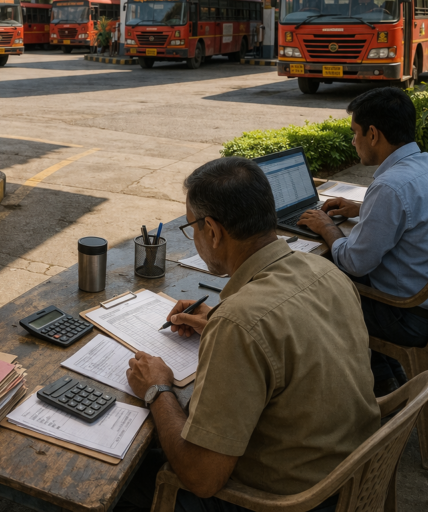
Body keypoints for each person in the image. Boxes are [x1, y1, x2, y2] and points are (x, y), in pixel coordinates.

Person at [121, 157, 380, 512]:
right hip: (348, 473)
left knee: (119, 482)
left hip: (288, 501)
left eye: (192, 227)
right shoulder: (325, 271)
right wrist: (218, 322)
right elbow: (285, 336)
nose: (194, 236)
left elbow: (202, 478)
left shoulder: (240, 322)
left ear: (213, 231)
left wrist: (157, 389)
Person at [298, 87, 428, 396]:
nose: (354, 141)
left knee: (319, 294)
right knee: (348, 281)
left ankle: (364, 391)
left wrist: (326, 227)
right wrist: (364, 209)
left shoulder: (391, 186)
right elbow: (415, 214)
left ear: (373, 134)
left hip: (411, 317)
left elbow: (354, 262)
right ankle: (386, 378)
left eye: (355, 133)